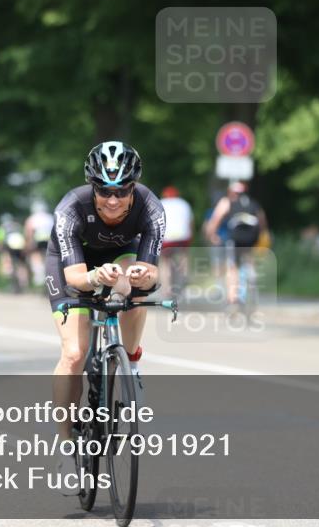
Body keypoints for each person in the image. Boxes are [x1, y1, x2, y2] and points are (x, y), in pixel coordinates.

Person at [48, 141, 164, 495]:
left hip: (123, 254)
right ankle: (66, 446)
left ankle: (129, 359)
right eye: (103, 191)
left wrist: (144, 277)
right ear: (92, 186)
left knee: (133, 290)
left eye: (122, 191)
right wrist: (97, 277)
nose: (112, 201)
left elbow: (153, 271)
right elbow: (76, 279)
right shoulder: (71, 208)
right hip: (76, 263)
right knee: (73, 353)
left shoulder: (151, 208)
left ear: (134, 188)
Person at [204, 181, 269, 307]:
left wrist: (212, 235)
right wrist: (260, 235)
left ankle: (233, 298)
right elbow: (262, 221)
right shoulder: (253, 203)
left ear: (231, 192)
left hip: (235, 239)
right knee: (247, 261)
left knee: (232, 267)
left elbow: (216, 218)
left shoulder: (227, 201)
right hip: (251, 239)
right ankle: (251, 278)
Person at [159, 185, 193, 294]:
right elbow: (190, 223)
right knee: (183, 257)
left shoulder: (160, 203)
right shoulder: (184, 204)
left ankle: (166, 288)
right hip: (182, 237)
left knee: (165, 262)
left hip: (167, 238)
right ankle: (184, 279)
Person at [24, 199, 54, 287]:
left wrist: (28, 244)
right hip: (49, 240)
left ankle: (39, 274)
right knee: (48, 258)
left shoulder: (32, 218)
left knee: (35, 255)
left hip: (38, 240)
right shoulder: (50, 217)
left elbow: (29, 232)